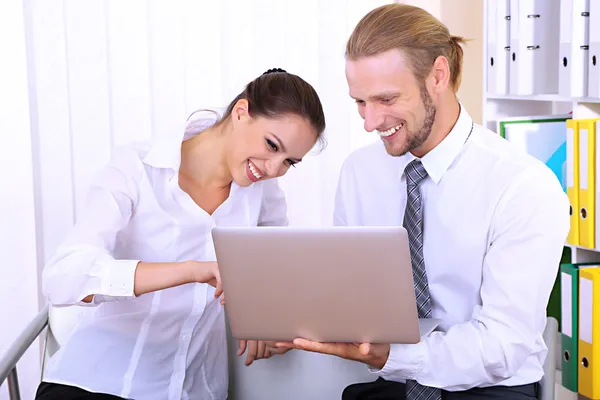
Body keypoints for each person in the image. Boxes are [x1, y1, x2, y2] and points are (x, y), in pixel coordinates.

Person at [275, 4, 569, 400]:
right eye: (360, 102)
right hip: (393, 386)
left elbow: (504, 344)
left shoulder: (523, 185)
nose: (370, 121)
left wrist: (396, 356)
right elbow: (350, 295)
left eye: (386, 99)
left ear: (438, 76)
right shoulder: (359, 172)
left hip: (489, 389)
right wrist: (298, 319)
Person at [35, 68, 326, 400]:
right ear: (241, 113)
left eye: (289, 161)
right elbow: (64, 276)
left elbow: (275, 270)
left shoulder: (264, 193)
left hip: (194, 390)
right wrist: (191, 271)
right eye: (271, 145)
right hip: (96, 383)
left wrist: (263, 315)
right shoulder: (135, 169)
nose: (273, 169)